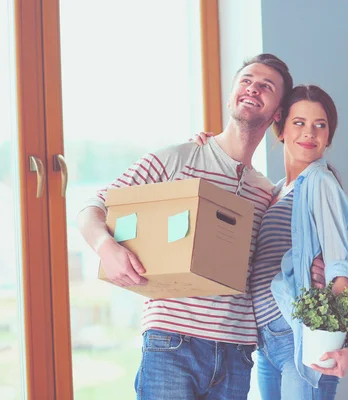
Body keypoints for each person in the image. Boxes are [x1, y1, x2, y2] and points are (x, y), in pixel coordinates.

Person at [77, 54, 295, 400]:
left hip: (237, 352)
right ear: (230, 96)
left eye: (266, 86)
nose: (253, 88)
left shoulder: (265, 192)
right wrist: (107, 247)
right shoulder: (178, 159)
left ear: (278, 113)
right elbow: (93, 207)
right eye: (247, 80)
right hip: (171, 342)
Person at [194, 84, 348, 399]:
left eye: (320, 125)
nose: (309, 132)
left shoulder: (319, 183)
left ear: (329, 136)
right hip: (266, 342)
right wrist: (206, 148)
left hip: (299, 336)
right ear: (281, 128)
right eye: (299, 122)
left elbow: (340, 269)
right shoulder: (274, 192)